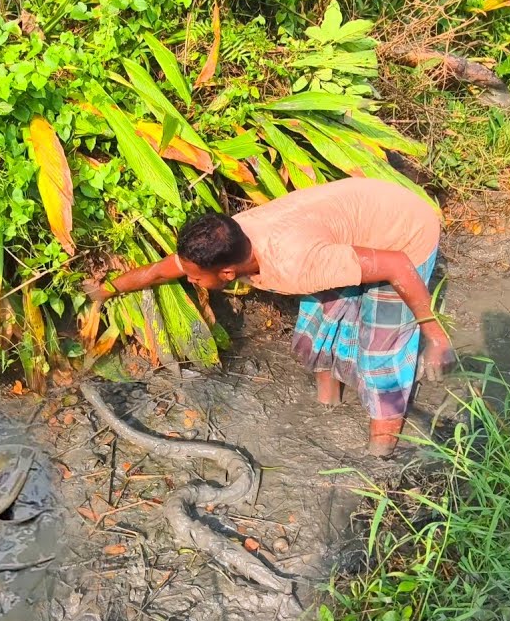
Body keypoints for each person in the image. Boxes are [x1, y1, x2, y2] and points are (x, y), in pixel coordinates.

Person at [83, 177, 453, 456]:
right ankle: (329, 402)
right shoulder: (225, 240)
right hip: (353, 219)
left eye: (196, 277)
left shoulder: (296, 264)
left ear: (227, 273)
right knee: (319, 323)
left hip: (404, 236)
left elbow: (396, 264)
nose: (191, 279)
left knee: (379, 349)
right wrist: (107, 289)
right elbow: (162, 271)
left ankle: (382, 442)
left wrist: (432, 331)